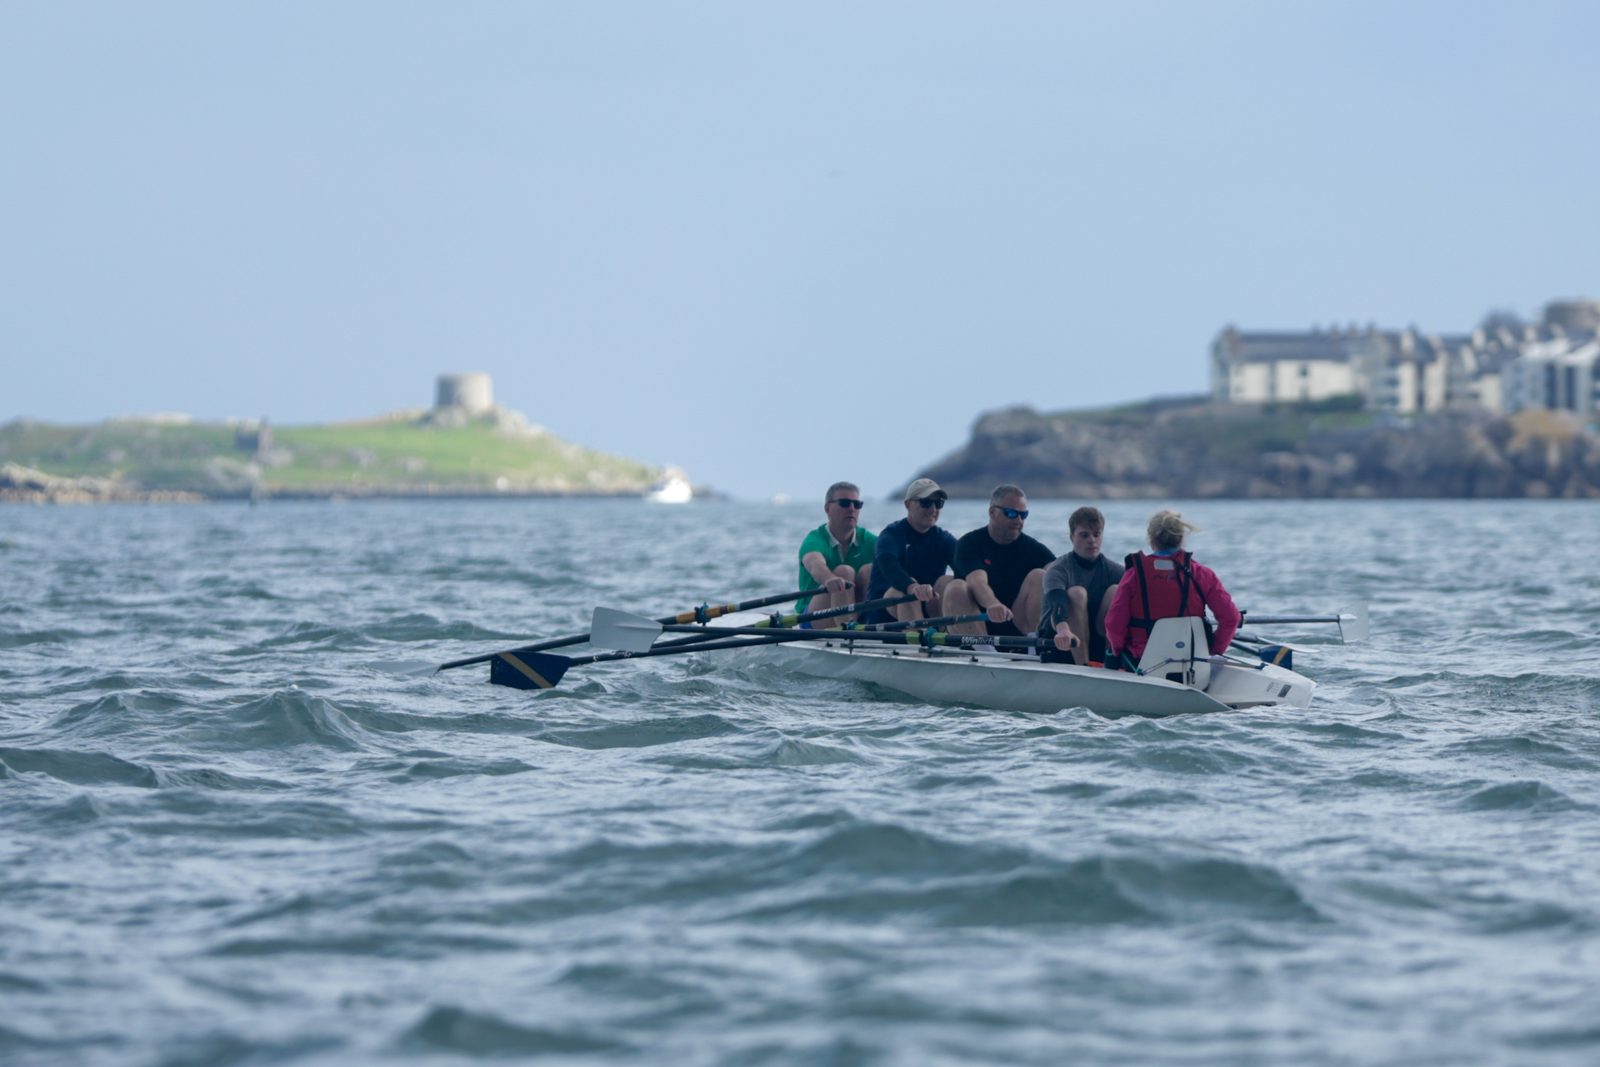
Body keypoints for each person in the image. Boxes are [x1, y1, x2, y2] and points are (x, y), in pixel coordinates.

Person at [1104, 509, 1241, 668]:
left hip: (1141, 664)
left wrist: (1117, 650)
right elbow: (1232, 618)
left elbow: (1114, 624)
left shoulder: (1133, 575)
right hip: (1193, 665)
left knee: (1111, 657)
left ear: (1151, 539)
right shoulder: (1202, 574)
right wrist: (1213, 650)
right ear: (1181, 538)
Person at [943, 484, 1056, 639]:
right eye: (1011, 513)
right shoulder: (969, 543)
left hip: (1016, 622)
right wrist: (993, 604)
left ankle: (1033, 643)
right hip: (978, 622)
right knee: (955, 587)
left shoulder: (1032, 548)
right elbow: (977, 582)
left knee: (1041, 576)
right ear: (992, 512)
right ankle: (983, 648)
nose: (1018, 520)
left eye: (1023, 515)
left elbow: (1058, 570)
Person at [865, 478, 960, 623]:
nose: (933, 509)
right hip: (886, 614)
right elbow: (888, 564)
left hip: (927, 609)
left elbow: (965, 566)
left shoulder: (943, 538)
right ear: (908, 504)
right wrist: (912, 586)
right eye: (926, 503)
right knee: (906, 592)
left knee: (950, 582)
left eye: (938, 503)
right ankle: (918, 634)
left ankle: (951, 632)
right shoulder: (891, 535)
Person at [1038, 506, 1124, 665]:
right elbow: (1057, 604)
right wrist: (1063, 630)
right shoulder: (1058, 569)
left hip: (1096, 638)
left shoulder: (1116, 571)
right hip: (1060, 640)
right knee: (1077, 593)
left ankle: (1112, 662)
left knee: (1116, 591)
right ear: (1072, 537)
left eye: (1096, 534)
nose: (1092, 540)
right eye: (1084, 535)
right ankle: (1083, 666)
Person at [795, 481, 877, 627]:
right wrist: (829, 579)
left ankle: (853, 626)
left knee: (869, 570)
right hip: (812, 617)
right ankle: (849, 630)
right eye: (844, 503)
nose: (851, 509)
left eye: (857, 504)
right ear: (827, 508)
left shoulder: (868, 540)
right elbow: (815, 564)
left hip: (856, 615)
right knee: (844, 572)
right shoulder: (815, 539)